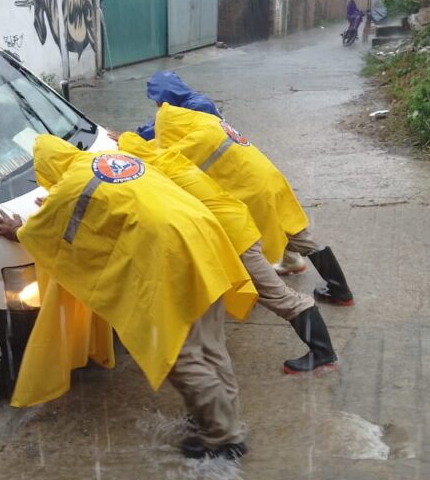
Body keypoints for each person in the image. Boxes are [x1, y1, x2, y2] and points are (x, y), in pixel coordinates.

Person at [0, 135, 257, 460]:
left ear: (46, 170)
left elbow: (49, 237)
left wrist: (18, 230)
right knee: (208, 340)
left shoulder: (70, 187)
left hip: (171, 256)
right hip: (204, 239)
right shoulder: (108, 161)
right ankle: (220, 414)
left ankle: (224, 437)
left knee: (174, 352)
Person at [117, 133, 337, 374]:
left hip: (234, 239)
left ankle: (323, 354)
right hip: (236, 224)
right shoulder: (165, 158)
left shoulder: (154, 174)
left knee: (279, 296)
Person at [154, 102, 354, 306]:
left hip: (253, 192)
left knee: (248, 246)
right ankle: (339, 289)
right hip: (271, 180)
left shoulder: (194, 143)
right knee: (298, 233)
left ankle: (273, 296)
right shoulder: (210, 123)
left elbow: (163, 160)